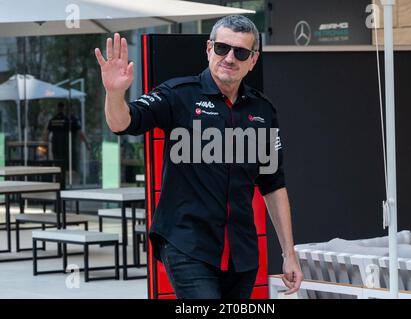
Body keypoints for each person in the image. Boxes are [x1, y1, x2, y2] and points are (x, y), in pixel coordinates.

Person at [95, 15, 302, 299]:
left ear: (253, 60)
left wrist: (289, 253)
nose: (229, 58)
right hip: (187, 244)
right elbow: (124, 123)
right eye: (221, 48)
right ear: (208, 49)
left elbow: (273, 184)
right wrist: (115, 95)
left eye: (240, 52)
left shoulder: (263, 110)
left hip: (241, 253)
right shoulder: (178, 94)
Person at [44, 102, 90, 175]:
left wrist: (44, 146)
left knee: (59, 167)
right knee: (70, 167)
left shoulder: (54, 119)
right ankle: (68, 182)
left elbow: (46, 133)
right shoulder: (71, 120)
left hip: (58, 148)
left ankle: (62, 181)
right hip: (68, 148)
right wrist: (87, 143)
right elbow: (80, 132)